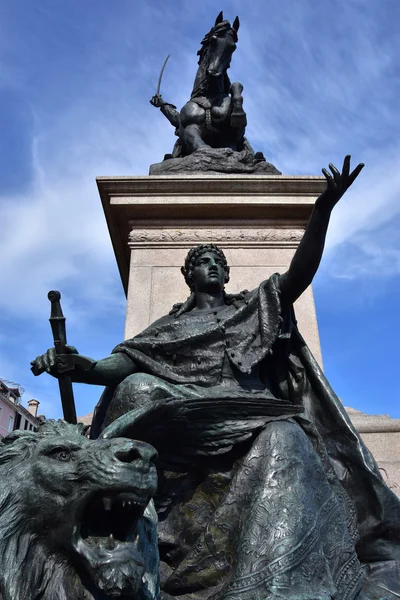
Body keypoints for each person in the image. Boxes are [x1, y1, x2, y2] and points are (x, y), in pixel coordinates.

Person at [32, 157, 400, 600]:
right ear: (187, 275)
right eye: (202, 261)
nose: (211, 266)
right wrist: (82, 367)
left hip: (256, 413)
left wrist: (321, 211)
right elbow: (126, 364)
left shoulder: (252, 307)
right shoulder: (166, 329)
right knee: (136, 390)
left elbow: (300, 272)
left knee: (284, 435)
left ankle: (274, 583)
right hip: (193, 420)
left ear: (227, 273)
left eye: (217, 261)